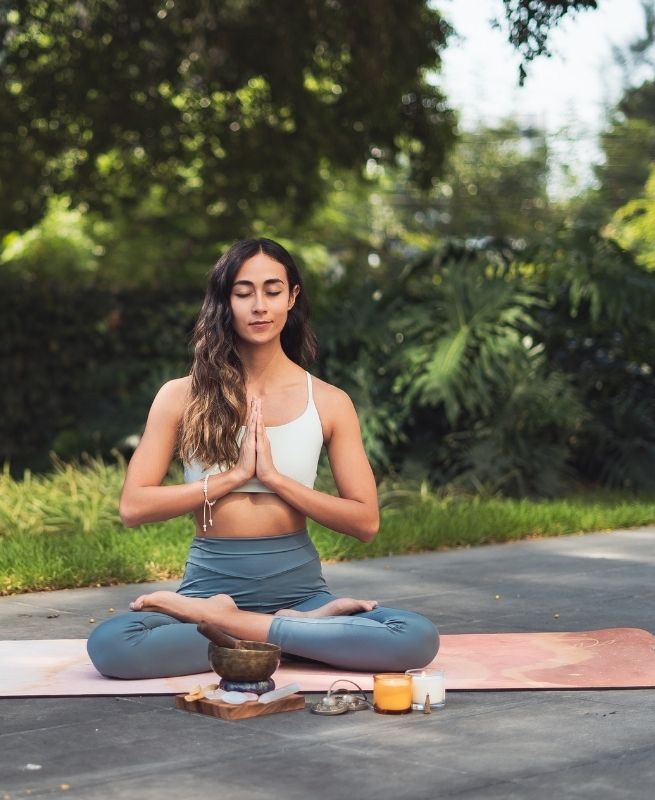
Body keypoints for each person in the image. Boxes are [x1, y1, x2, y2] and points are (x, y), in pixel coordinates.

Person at [87, 237, 439, 679]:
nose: (259, 305)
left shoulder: (328, 402)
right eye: (243, 292)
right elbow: (134, 507)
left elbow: (365, 523)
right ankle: (301, 637)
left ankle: (235, 628)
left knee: (416, 636)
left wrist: (275, 478)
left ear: (292, 297)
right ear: (225, 300)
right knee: (112, 646)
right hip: (208, 587)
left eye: (272, 291)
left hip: (299, 592)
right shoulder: (181, 396)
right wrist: (233, 477)